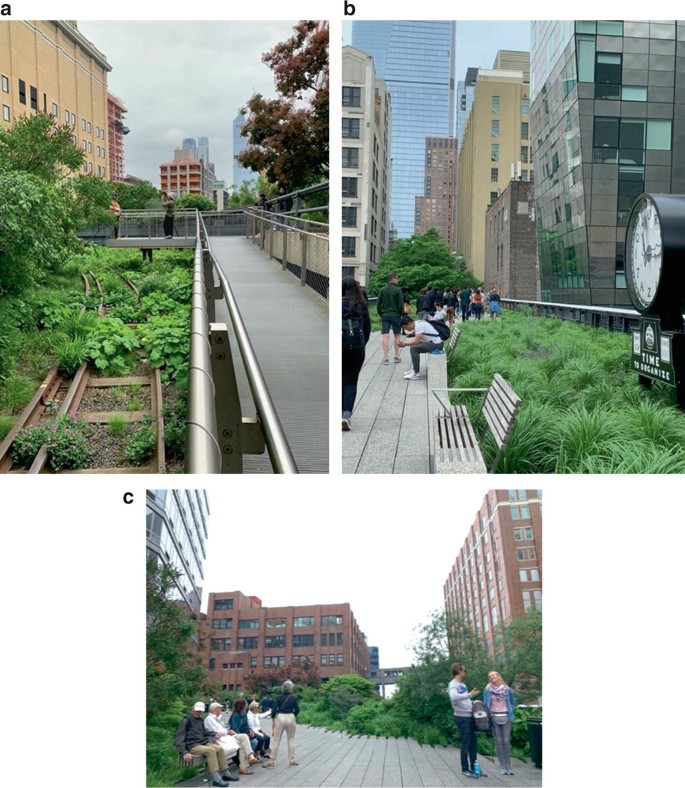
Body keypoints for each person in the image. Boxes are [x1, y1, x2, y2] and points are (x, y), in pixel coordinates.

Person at [174, 701, 238, 787]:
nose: (198, 713)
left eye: (200, 711)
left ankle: (226, 774)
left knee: (219, 748)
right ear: (193, 709)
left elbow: (204, 731)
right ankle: (216, 779)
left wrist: (214, 733)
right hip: (191, 746)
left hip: (201, 743)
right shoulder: (186, 721)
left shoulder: (200, 720)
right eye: (197, 711)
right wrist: (184, 752)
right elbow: (178, 738)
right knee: (211, 751)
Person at [342, 276, 371, 431]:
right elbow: (367, 329)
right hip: (356, 348)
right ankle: (346, 415)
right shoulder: (361, 305)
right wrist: (361, 345)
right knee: (351, 381)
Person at [205, 701, 260, 775]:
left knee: (244, 736)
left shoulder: (217, 718)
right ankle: (244, 766)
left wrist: (228, 730)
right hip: (221, 740)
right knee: (243, 741)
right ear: (215, 709)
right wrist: (227, 732)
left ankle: (250, 757)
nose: (221, 710)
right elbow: (216, 731)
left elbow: (224, 727)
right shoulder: (209, 719)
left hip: (227, 737)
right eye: (220, 709)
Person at [448, 663, 483, 780]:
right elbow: (453, 697)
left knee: (473, 742)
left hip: (469, 716)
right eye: (464, 670)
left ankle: (474, 768)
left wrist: (472, 700)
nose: (465, 672)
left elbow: (464, 699)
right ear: (459, 671)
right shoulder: (453, 684)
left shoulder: (462, 684)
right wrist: (469, 695)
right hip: (462, 718)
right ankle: (465, 769)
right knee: (466, 743)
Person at [483, 671, 516, 775]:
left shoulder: (507, 689)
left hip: (506, 716)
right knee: (498, 741)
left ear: (498, 676)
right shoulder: (487, 690)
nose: (491, 677)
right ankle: (502, 766)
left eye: (493, 675)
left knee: (506, 741)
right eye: (490, 676)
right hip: (493, 717)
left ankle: (508, 766)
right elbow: (485, 704)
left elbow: (512, 702)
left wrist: (509, 710)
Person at [263, 679, 300, 768]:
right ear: (290, 688)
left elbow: (274, 709)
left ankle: (271, 760)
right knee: (291, 739)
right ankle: (291, 760)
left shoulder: (279, 697)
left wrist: (273, 718)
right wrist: (293, 715)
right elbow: (297, 710)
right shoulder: (293, 697)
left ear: (283, 688)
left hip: (280, 717)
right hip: (290, 717)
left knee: (276, 740)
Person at [398, 314, 444, 380]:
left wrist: (404, 343)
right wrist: (406, 343)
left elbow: (416, 341)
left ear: (409, 323)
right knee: (414, 347)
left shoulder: (418, 326)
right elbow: (418, 341)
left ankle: (416, 373)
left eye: (405, 327)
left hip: (436, 345)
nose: (406, 330)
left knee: (414, 349)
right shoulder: (418, 323)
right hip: (435, 343)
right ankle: (414, 369)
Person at [376, 272, 404, 365]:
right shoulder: (398, 290)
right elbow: (401, 304)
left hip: (385, 315)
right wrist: (400, 313)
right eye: (396, 278)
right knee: (397, 335)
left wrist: (381, 313)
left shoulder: (382, 290)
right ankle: (396, 356)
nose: (397, 279)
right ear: (392, 279)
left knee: (385, 335)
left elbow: (378, 304)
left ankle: (386, 357)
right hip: (395, 315)